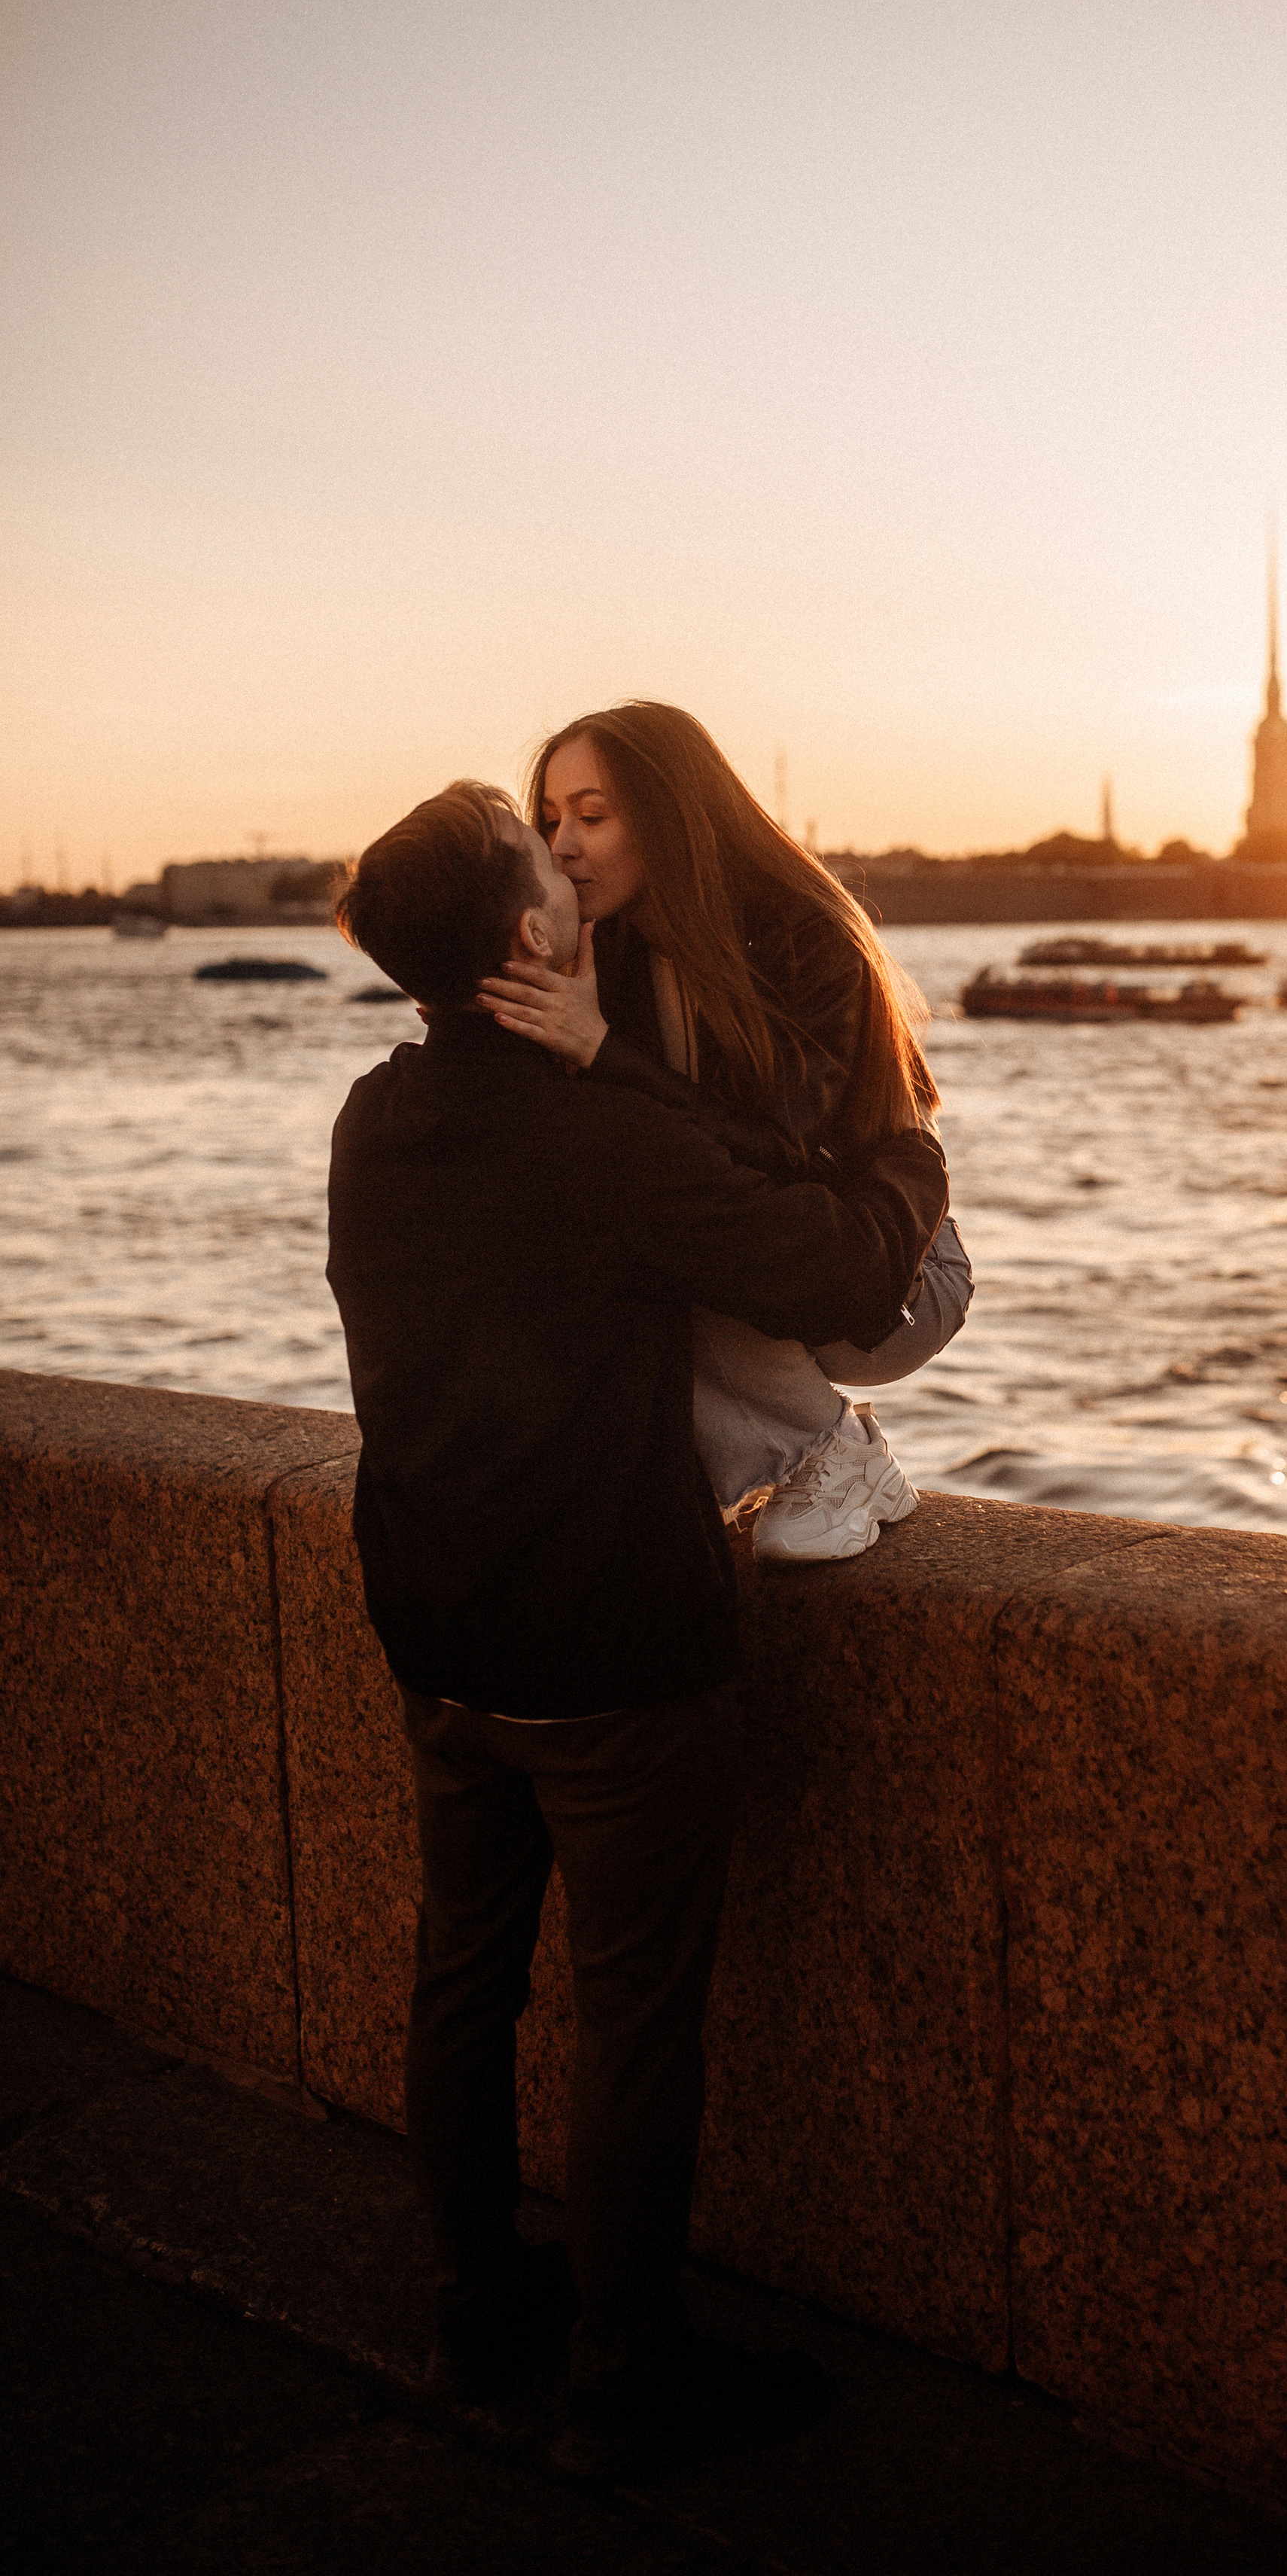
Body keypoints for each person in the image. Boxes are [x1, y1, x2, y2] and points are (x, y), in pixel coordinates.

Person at [324, 779, 947, 2474]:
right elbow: (840, 1279)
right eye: (545, 855)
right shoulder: (592, 1133)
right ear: (533, 935)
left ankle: (476, 2314)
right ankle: (626, 2373)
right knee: (631, 2021)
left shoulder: (374, 1117)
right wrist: (906, 1150)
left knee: (463, 1984)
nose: (571, 867)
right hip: (609, 1650)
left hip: (437, 1626)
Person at [477, 702, 972, 1564]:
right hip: (753, 1256)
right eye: (550, 820)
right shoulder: (601, 954)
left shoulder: (804, 939)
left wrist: (605, 1051)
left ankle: (831, 1453)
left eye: (592, 816)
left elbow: (787, 1159)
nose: (562, 846)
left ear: (671, 816)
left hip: (887, 1274)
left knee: (659, 1201)